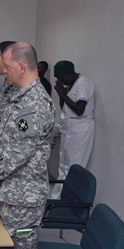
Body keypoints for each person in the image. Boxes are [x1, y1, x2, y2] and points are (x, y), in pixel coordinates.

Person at [0, 42, 55, 249]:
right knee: (5, 244)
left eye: (8, 66)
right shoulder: (20, 96)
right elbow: (7, 140)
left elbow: (19, 152)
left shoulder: (32, 104)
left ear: (21, 67)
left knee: (21, 247)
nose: (4, 70)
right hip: (11, 192)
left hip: (23, 197)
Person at [51, 60, 95, 199]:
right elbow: (65, 106)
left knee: (73, 168)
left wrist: (63, 93)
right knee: (63, 166)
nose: (60, 81)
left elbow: (79, 109)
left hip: (80, 130)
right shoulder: (70, 84)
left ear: (70, 73)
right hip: (68, 129)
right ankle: (56, 199)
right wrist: (61, 94)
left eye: (61, 77)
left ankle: (67, 201)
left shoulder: (83, 83)